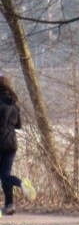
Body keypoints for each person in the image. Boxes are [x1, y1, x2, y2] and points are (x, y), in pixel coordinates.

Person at [0, 72, 36, 215]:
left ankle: (20, 183)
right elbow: (19, 125)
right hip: (11, 143)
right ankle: (10, 205)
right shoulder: (13, 102)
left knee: (4, 176)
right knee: (5, 174)